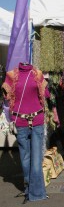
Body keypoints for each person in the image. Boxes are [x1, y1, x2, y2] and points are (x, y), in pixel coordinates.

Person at [1, 62, 50, 203]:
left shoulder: (36, 73)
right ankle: (33, 190)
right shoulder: (14, 75)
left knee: (32, 159)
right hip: (23, 122)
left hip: (35, 121)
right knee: (27, 159)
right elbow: (46, 94)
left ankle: (34, 192)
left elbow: (45, 93)